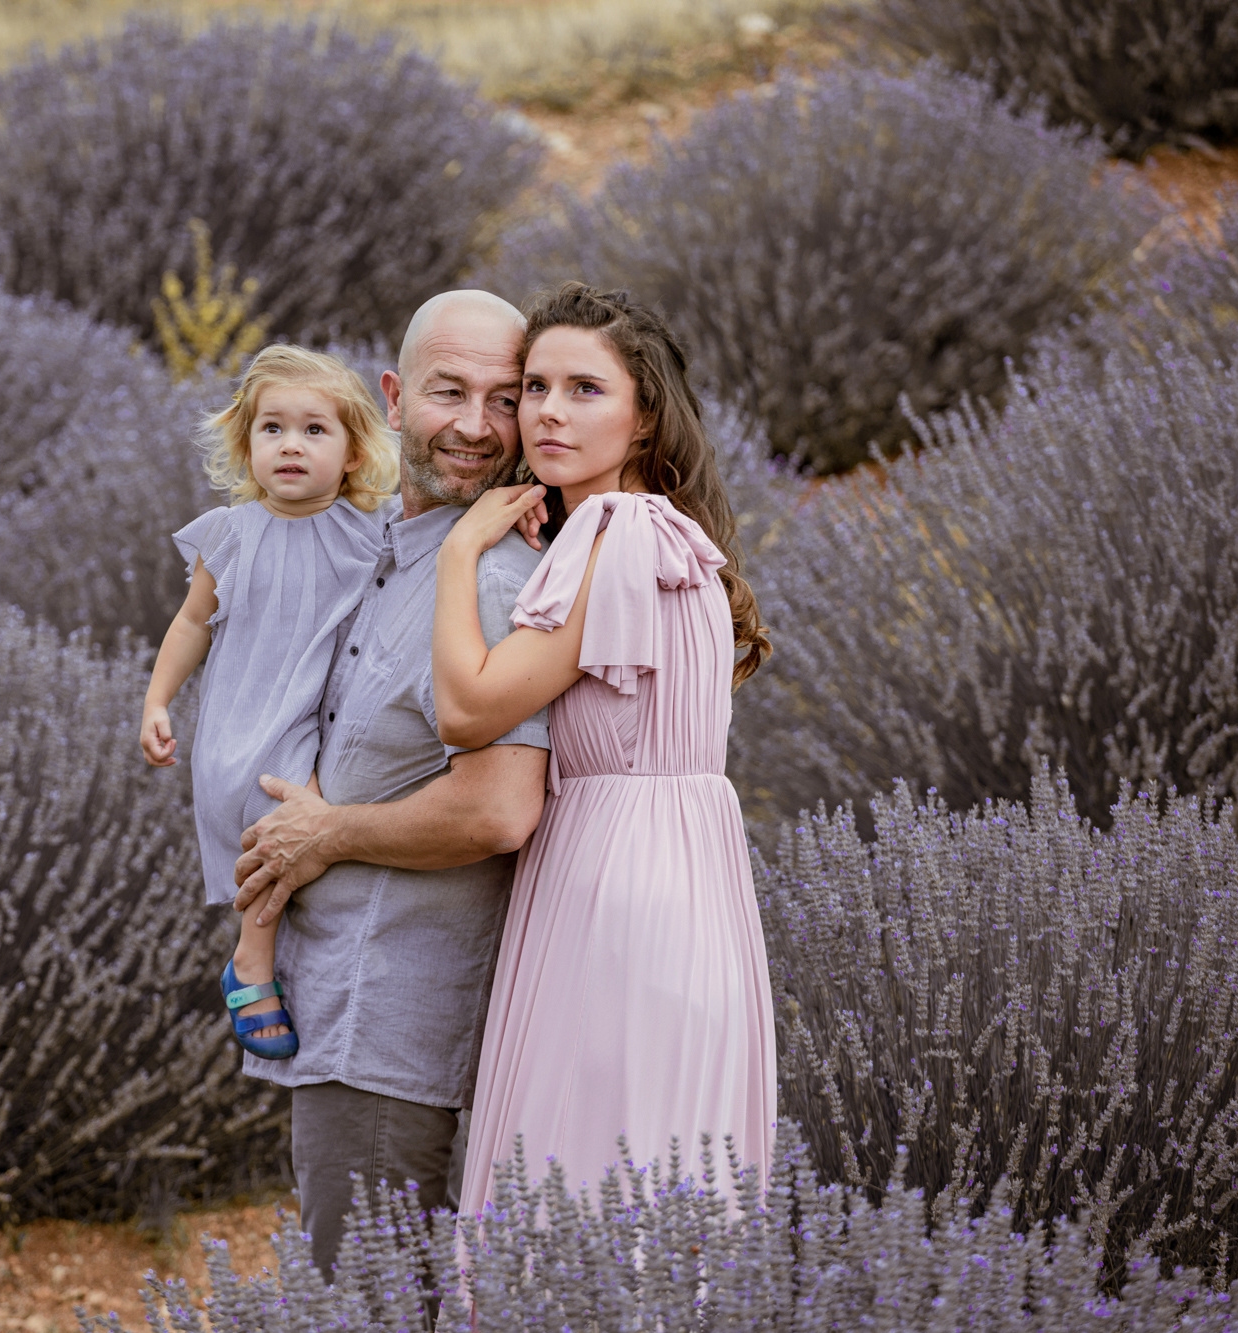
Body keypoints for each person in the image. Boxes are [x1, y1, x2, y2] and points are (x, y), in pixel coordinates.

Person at [429, 283, 778, 1213]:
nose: (547, 410)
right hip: (687, 886)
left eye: (586, 389)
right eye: (534, 386)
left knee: (580, 1183)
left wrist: (460, 553)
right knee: (651, 1184)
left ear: (644, 416)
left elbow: (468, 711)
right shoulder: (672, 533)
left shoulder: (617, 535)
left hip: (614, 894)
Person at [230, 290, 552, 1280]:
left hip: (389, 1023)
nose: (474, 424)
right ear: (392, 398)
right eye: (448, 390)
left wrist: (325, 835)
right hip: (331, 999)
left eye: (505, 400)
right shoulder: (384, 542)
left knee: (365, 1303)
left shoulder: (491, 582)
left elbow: (499, 805)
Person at [140, 345, 398, 1060]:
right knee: (274, 822)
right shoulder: (231, 534)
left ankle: (261, 957)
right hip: (245, 719)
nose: (291, 444)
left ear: (352, 452)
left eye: (316, 430)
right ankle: (252, 958)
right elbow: (192, 622)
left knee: (293, 820)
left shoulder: (368, 528)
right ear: (245, 444)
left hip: (319, 718)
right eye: (272, 429)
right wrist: (157, 700)